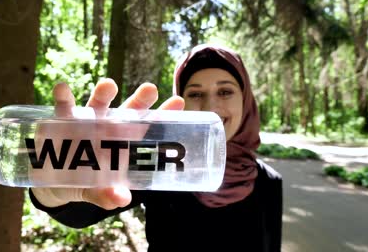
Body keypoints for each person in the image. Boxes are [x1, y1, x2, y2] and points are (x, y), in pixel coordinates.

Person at [29, 43, 283, 251]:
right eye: (195, 94)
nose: (210, 106)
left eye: (225, 92)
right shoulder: (163, 162)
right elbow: (83, 212)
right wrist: (52, 192)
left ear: (246, 100)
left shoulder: (268, 181)